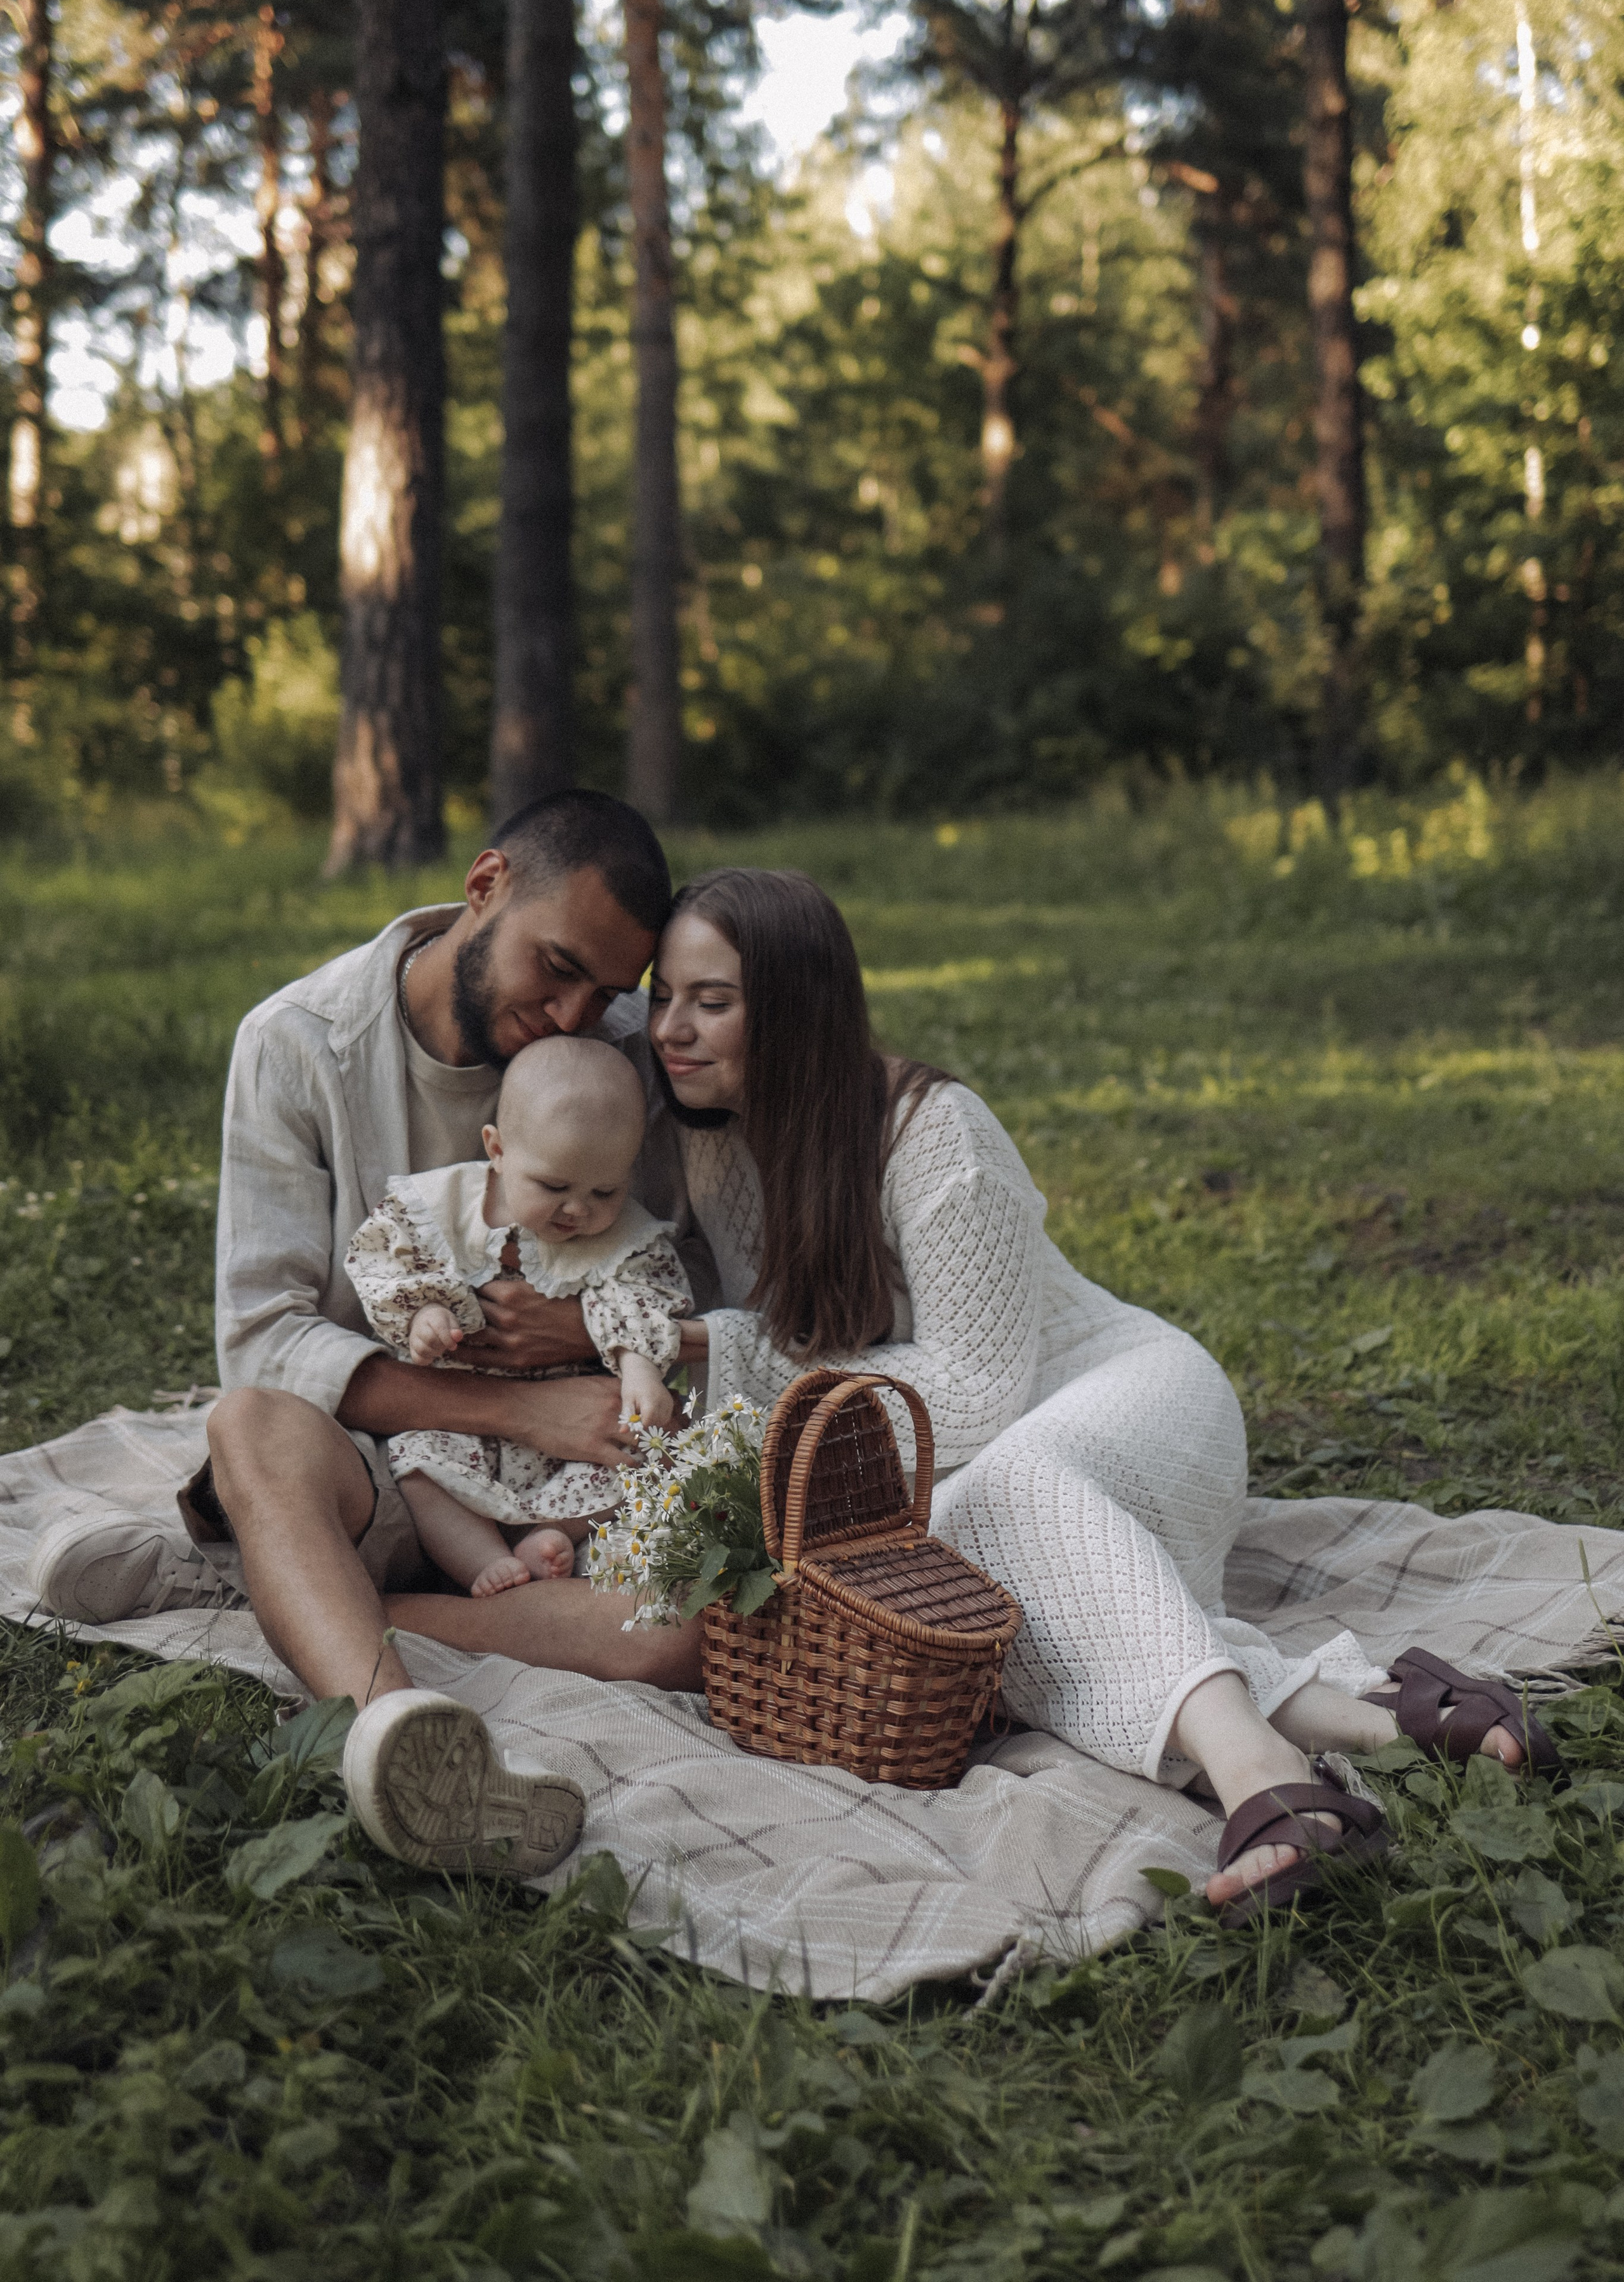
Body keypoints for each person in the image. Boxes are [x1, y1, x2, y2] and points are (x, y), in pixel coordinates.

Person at [643, 865, 1554, 1918]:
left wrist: (721, 1349)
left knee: (995, 1493)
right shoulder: (712, 1148)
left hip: (1140, 1402)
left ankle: (1258, 1776)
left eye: (713, 1002)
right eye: (665, 994)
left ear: (800, 1010)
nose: (673, 1026)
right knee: (942, 1563)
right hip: (998, 1468)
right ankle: (1377, 1722)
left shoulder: (933, 1132)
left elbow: (976, 1396)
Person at [29, 790, 711, 1882]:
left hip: (551, 1501)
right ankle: (402, 1741)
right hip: (379, 1467)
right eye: (558, 967)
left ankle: (274, 1581)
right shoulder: (298, 1046)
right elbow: (260, 1343)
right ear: (484, 887)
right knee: (251, 1422)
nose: (578, 1015)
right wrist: (517, 1400)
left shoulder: (618, 1058)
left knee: (684, 1635)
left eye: (607, 991)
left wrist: (591, 1337)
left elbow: (675, 1271)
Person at [344, 1037, 690, 1598]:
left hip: (573, 1426)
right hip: (463, 1418)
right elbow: (390, 1261)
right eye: (553, 1187)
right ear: (498, 1150)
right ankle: (480, 1559)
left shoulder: (624, 1236)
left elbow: (643, 1297)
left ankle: (553, 1536)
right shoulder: (442, 1208)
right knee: (417, 1463)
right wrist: (423, 1313)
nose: (578, 1210)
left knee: (646, 1461)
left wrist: (639, 1368)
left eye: (605, 1189)